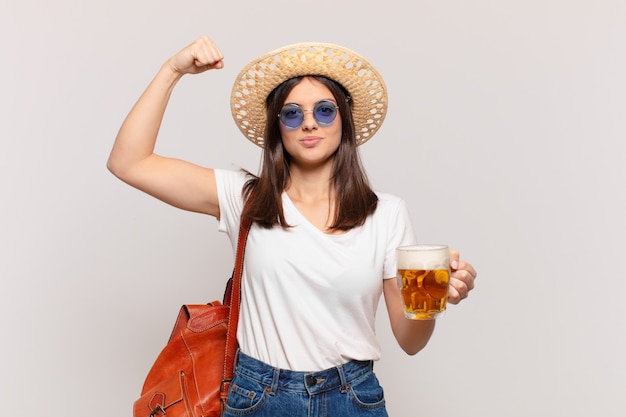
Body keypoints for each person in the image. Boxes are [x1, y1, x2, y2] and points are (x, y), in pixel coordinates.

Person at [108, 36, 476, 417]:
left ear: (344, 118)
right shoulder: (244, 198)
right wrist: (173, 70)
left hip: (353, 399)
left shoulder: (387, 214)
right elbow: (128, 162)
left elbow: (410, 341)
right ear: (278, 126)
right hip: (259, 397)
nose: (310, 123)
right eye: (292, 113)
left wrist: (432, 298)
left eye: (324, 110)